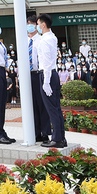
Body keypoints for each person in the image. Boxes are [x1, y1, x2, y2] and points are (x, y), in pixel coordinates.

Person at [36, 13, 67, 149]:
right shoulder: (52, 37)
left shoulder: (44, 40)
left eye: (38, 24)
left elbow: (47, 61)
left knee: (52, 109)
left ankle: (57, 139)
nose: (37, 26)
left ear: (43, 25)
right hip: (53, 74)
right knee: (56, 108)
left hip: (47, 74)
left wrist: (46, 81)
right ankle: (61, 137)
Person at [27, 14, 50, 143]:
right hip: (27, 76)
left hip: (39, 74)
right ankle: (35, 133)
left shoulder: (41, 39)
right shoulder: (24, 40)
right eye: (28, 23)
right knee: (32, 105)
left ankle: (45, 132)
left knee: (42, 104)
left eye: (32, 23)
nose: (29, 26)